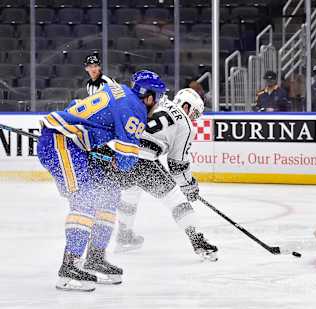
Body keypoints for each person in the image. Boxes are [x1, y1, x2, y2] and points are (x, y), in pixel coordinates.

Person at [36, 70, 165, 292]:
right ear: (150, 97)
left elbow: (85, 112)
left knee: (108, 195)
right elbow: (126, 159)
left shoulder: (123, 92)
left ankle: (94, 259)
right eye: (159, 97)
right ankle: (69, 269)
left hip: (74, 143)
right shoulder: (135, 109)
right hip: (62, 142)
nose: (158, 102)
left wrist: (105, 154)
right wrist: (130, 169)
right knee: (85, 199)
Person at [115, 87, 218, 261]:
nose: (193, 118)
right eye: (194, 113)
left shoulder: (159, 102)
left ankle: (124, 236)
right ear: (186, 107)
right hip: (143, 160)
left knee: (131, 191)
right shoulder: (185, 124)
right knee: (176, 199)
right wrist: (189, 186)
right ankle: (198, 241)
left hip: (121, 153)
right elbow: (177, 165)